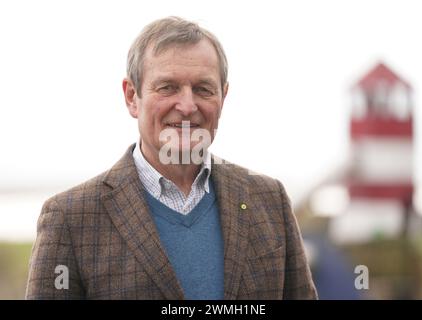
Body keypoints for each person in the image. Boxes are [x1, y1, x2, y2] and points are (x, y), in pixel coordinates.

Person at [25, 16, 317, 300]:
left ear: (223, 98)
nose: (188, 106)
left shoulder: (270, 200)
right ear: (131, 96)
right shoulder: (70, 219)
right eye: (168, 88)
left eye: (203, 89)